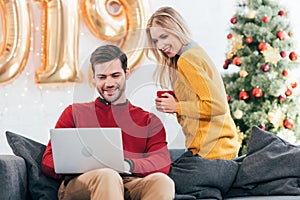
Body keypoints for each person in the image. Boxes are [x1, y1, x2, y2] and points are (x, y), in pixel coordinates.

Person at [41, 44, 175, 200]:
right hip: (82, 183)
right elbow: (48, 160)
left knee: (163, 182)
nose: (109, 83)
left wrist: (126, 165)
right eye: (102, 77)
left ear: (127, 74)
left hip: (129, 181)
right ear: (94, 78)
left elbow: (162, 162)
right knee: (108, 175)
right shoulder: (74, 112)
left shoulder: (148, 120)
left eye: (115, 75)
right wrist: (79, 165)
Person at [145, 6, 240, 160]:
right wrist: (178, 104)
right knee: (159, 160)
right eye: (156, 41)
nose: (160, 46)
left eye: (164, 36)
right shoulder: (194, 54)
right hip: (215, 150)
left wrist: (177, 106)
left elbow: (217, 106)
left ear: (177, 29)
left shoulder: (187, 59)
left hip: (212, 154)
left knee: (155, 165)